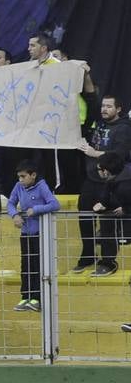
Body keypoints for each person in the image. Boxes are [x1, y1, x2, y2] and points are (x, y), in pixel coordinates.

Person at [74, 95, 131, 273]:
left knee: (107, 221)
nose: (104, 109)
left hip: (110, 181)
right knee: (84, 216)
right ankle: (88, 255)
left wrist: (93, 153)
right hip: (91, 179)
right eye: (103, 106)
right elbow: (90, 98)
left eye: (108, 106)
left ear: (118, 109)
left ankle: (108, 261)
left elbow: (119, 156)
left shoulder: (123, 129)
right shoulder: (99, 123)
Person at [7, 161, 61, 312]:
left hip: (40, 233)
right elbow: (10, 203)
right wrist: (14, 215)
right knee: (26, 265)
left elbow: (54, 204)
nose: (21, 180)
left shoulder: (42, 186)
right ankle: (26, 296)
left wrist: (36, 209)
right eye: (19, 177)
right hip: (25, 232)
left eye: (23, 176)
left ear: (33, 175)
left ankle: (37, 298)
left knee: (38, 264)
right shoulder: (18, 187)